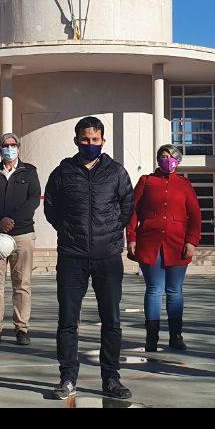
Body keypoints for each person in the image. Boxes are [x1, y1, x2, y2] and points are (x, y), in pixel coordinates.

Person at [44, 116, 135, 401]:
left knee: (111, 320)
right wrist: (70, 231)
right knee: (68, 321)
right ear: (76, 140)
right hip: (72, 257)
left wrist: (109, 231)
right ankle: (68, 378)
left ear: (103, 141)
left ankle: (111, 379)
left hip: (107, 257)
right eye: (85, 139)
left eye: (95, 140)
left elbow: (127, 207)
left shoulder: (116, 172)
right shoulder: (63, 172)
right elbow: (51, 208)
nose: (90, 144)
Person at [127, 144, 201, 352]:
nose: (166, 159)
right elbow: (132, 212)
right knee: (154, 290)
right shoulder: (146, 181)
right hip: (150, 244)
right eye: (162, 156)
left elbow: (195, 215)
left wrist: (192, 241)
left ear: (177, 160)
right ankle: (152, 337)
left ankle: (176, 336)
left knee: (174, 291)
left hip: (178, 244)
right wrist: (131, 237)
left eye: (170, 156)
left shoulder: (184, 185)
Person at [0, 132, 40, 347]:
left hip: (22, 234)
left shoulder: (29, 171)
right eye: (6, 145)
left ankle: (22, 329)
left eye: (13, 145)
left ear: (19, 148)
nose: (9, 148)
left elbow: (33, 199)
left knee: (22, 283)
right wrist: (0, 220)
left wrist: (12, 220)